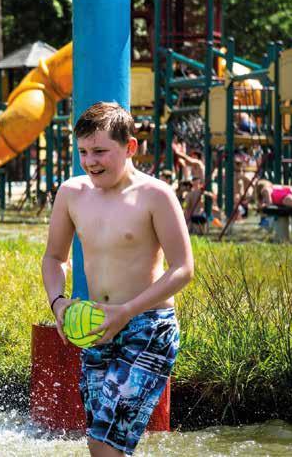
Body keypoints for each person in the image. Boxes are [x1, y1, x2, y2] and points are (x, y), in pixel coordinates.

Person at [41, 102, 193, 457]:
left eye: (100, 151)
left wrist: (127, 311)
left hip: (148, 327)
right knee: (99, 440)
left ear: (130, 147)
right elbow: (53, 258)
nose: (90, 161)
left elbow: (183, 267)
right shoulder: (71, 193)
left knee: (106, 444)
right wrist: (57, 302)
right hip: (96, 326)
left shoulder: (155, 195)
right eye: (83, 152)